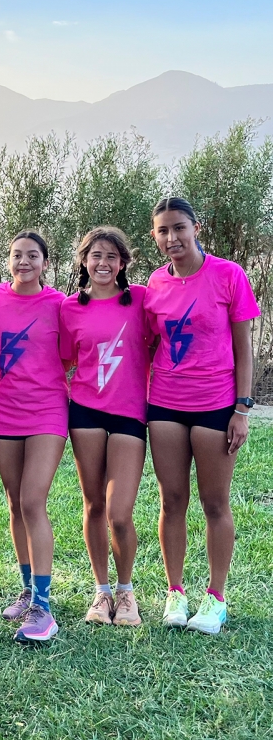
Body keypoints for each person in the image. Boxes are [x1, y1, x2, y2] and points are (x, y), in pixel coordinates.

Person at [145, 196, 260, 634]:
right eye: (162, 231)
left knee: (215, 502)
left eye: (179, 228)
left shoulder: (228, 275)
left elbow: (244, 348)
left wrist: (242, 408)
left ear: (197, 228)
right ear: (155, 236)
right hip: (165, 405)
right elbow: (149, 344)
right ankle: (175, 592)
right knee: (171, 500)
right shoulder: (155, 284)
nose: (172, 238)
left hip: (216, 404)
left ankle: (215, 598)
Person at [60, 227, 152, 627]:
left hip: (130, 413)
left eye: (112, 257)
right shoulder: (69, 308)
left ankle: (126, 592)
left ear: (123, 264)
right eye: (96, 255)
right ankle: (101, 591)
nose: (103, 263)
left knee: (119, 511)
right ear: (84, 261)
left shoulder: (142, 301)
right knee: (94, 504)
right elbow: (62, 359)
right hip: (85, 412)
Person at [0, 231, 67, 643]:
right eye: (17, 255)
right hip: (3, 409)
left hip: (48, 409)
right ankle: (28, 587)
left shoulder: (59, 304)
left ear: (45, 263)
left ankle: (44, 608)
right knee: (16, 503)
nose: (24, 262)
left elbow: (68, 354)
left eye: (32, 256)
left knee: (34, 500)